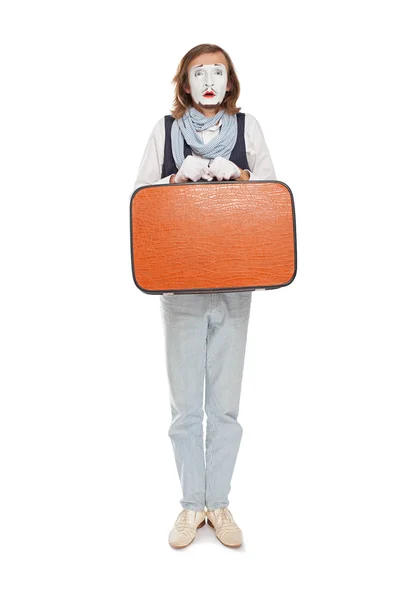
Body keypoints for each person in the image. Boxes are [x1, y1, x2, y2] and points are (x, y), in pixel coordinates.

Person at [132, 43, 276, 549]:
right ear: (185, 82)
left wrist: (238, 177)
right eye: (199, 73)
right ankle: (192, 505)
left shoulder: (248, 129)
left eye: (218, 71)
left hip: (235, 283)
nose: (209, 80)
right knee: (185, 406)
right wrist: (177, 179)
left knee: (226, 405)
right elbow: (140, 200)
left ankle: (220, 502)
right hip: (181, 285)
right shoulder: (166, 131)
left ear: (229, 80)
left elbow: (272, 194)